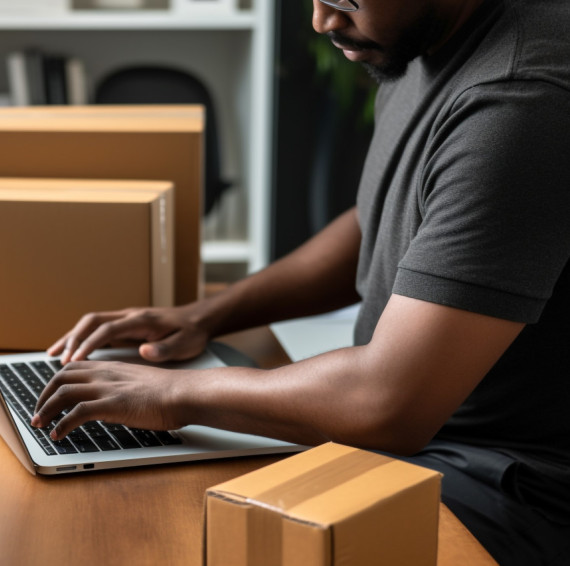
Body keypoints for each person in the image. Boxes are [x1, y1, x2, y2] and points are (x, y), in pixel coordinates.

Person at [31, 1, 570, 563]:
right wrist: (206, 315)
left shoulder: (522, 100)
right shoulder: (420, 35)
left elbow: (388, 403)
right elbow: (384, 221)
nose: (321, 22)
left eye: (345, 2)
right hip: (423, 440)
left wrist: (173, 394)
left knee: (170, 531)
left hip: (505, 480)